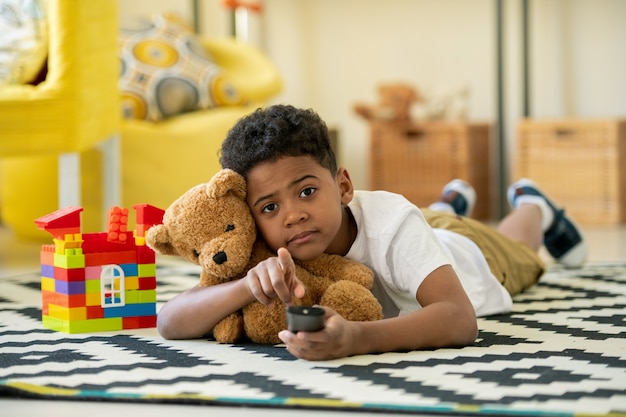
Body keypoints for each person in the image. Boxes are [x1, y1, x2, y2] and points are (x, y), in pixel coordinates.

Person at [157, 104, 588, 361]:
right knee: (424, 222)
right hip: (416, 230)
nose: (291, 216)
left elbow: (458, 319)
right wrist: (244, 288)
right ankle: (444, 206)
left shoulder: (391, 223)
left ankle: (535, 206)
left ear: (343, 186)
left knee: (515, 247)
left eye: (306, 191)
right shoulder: (260, 242)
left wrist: (357, 338)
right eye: (270, 206)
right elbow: (171, 321)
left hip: (467, 255)